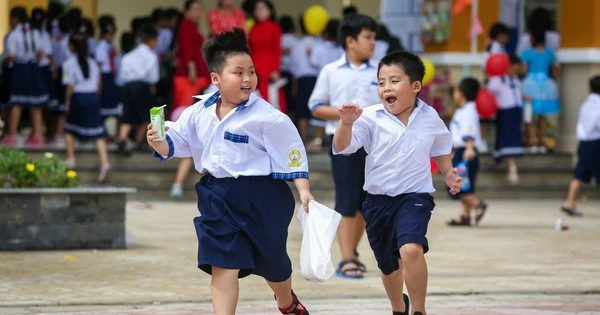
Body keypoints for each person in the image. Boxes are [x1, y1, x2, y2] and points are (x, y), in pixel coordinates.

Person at [147, 28, 312, 315]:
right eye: (239, 72)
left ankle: (287, 302)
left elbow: (292, 155)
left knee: (273, 262)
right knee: (222, 263)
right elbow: (176, 145)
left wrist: (304, 190)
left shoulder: (269, 117)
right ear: (216, 79)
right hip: (217, 195)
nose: (248, 79)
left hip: (263, 197)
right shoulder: (197, 112)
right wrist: (158, 141)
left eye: (251, 71)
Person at [333, 51, 461, 315]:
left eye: (393, 81)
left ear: (415, 87)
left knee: (411, 249)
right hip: (377, 202)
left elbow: (441, 147)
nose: (386, 88)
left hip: (415, 198)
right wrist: (345, 124)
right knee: (388, 265)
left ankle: (419, 310)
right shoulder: (368, 116)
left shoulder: (430, 117)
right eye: (381, 82)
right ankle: (397, 308)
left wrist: (448, 172)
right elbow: (342, 147)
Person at [308, 13, 379, 279]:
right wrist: (344, 115)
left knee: (367, 200)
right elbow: (315, 106)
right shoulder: (330, 71)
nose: (373, 43)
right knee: (347, 198)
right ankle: (347, 258)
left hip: (374, 145)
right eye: (367, 37)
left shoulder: (380, 71)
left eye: (374, 37)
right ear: (350, 41)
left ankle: (352, 251)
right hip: (343, 143)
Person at [62, 37, 110, 182]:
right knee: (98, 132)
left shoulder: (69, 63)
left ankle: (71, 158)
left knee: (69, 130)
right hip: (93, 97)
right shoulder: (93, 62)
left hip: (79, 98)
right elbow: (99, 83)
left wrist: (67, 102)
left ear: (71, 47)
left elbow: (70, 86)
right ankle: (104, 162)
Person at [0, 6, 48, 148]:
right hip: (33, 68)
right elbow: (40, 53)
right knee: (36, 105)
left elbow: (11, 56)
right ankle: (37, 135)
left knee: (16, 103)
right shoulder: (35, 32)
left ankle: (12, 135)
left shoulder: (13, 35)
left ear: (15, 19)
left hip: (20, 68)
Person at [447, 78, 488, 227]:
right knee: (464, 184)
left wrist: (469, 148)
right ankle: (465, 216)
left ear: (462, 93)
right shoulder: (464, 110)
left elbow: (468, 131)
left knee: (461, 184)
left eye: (457, 90)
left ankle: (478, 205)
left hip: (466, 152)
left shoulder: (468, 110)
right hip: (460, 151)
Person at [560, 76, 600, 217]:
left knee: (580, 173)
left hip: (583, 143)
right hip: (596, 143)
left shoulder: (586, 104)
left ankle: (569, 202)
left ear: (589, 89)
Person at [117, 24, 159, 156]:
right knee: (146, 116)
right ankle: (137, 142)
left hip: (127, 85)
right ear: (151, 40)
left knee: (127, 115)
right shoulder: (151, 56)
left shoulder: (129, 55)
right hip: (141, 86)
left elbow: (121, 75)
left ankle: (123, 139)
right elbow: (154, 77)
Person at [520, 28, 559, 153]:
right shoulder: (550, 53)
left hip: (530, 84)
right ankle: (542, 141)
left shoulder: (527, 53)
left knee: (529, 114)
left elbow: (524, 70)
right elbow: (554, 71)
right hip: (546, 85)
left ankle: (532, 141)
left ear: (532, 38)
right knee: (542, 116)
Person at [487, 54, 524, 185]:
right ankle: (512, 168)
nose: (515, 70)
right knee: (506, 138)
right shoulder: (497, 80)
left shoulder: (516, 80)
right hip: (504, 112)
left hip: (516, 112)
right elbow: (489, 94)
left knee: (511, 138)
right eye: (512, 67)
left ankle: (497, 158)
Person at [248, 0, 287, 113]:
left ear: (270, 11)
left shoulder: (275, 27)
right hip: (255, 67)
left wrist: (275, 70)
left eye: (263, 8)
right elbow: (250, 50)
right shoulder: (253, 29)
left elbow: (277, 50)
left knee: (272, 99)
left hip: (269, 67)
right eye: (257, 9)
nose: (259, 11)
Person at [95, 16, 120, 119]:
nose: (113, 37)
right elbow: (99, 66)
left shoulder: (110, 45)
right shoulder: (101, 46)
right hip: (104, 76)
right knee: (105, 106)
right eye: (111, 35)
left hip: (111, 75)